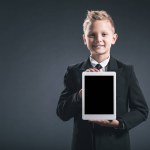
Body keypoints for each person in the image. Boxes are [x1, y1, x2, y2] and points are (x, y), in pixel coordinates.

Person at [56, 10, 149, 150]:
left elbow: (142, 110)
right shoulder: (73, 72)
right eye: (92, 35)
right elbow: (62, 113)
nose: (98, 39)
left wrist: (118, 123)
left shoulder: (126, 72)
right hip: (83, 145)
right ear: (84, 39)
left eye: (104, 34)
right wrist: (81, 94)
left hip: (116, 145)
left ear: (114, 38)